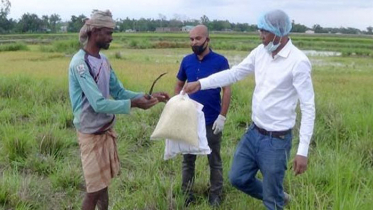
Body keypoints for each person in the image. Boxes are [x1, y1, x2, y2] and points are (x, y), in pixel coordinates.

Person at [183, 10, 315, 210]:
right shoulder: (260, 52)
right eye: (260, 30)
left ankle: (275, 198)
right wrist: (201, 84)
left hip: (276, 140)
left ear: (279, 32)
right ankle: (277, 196)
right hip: (254, 132)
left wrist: (302, 150)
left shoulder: (298, 61)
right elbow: (234, 74)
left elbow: (308, 106)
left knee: (272, 203)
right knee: (237, 178)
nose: (260, 35)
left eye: (264, 31)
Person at [68, 10, 169, 210]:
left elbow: (119, 91)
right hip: (91, 133)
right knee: (93, 191)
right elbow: (98, 103)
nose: (111, 37)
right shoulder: (80, 64)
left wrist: (147, 97)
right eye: (108, 33)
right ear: (95, 32)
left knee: (103, 185)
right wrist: (134, 104)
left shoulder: (103, 61)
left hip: (105, 130)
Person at [174, 25, 231, 207]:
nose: (194, 42)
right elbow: (178, 85)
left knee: (214, 159)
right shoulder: (186, 61)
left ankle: (215, 196)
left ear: (207, 39)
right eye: (191, 39)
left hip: (211, 120)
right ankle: (187, 195)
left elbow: (227, 90)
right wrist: (176, 107)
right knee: (188, 159)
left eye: (198, 38)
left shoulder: (220, 61)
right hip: (189, 119)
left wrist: (222, 116)